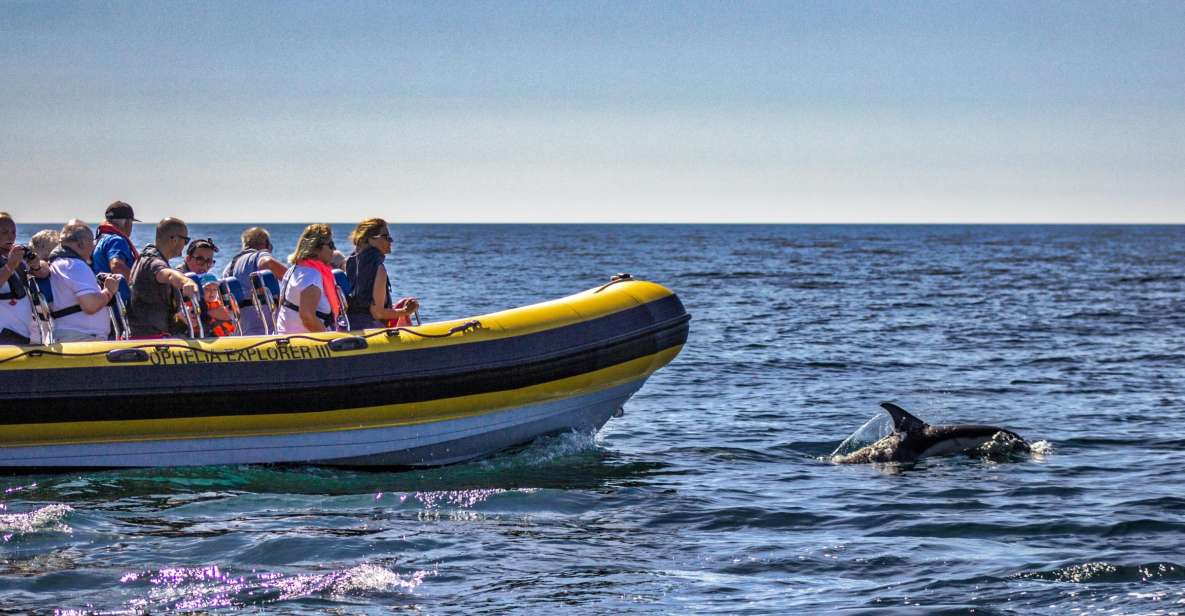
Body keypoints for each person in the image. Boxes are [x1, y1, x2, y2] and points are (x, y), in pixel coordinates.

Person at [46, 220, 121, 342]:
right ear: (81, 243)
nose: (93, 246)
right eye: (92, 242)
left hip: (69, 335)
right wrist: (109, 290)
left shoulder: (58, 263)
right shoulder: (75, 265)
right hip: (83, 337)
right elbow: (90, 305)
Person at [127, 218, 199, 338]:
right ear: (174, 240)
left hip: (150, 334)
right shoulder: (152, 262)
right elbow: (168, 274)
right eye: (185, 241)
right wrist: (186, 281)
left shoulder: (144, 258)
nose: (185, 245)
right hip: (150, 338)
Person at [344, 218, 418, 329]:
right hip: (371, 329)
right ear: (370, 239)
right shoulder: (379, 268)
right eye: (386, 237)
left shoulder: (350, 262)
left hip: (350, 326)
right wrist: (405, 311)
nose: (391, 241)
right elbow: (377, 313)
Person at [274, 224, 343, 334]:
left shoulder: (294, 269)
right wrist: (329, 338)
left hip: (287, 337)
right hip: (303, 342)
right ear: (315, 248)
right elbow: (307, 318)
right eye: (330, 244)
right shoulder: (311, 275)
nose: (334, 249)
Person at [221, 227, 287, 335]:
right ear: (266, 244)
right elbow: (268, 262)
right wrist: (294, 279)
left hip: (243, 334)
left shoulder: (228, 269)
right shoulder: (259, 255)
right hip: (268, 333)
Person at [0, 212, 49, 344]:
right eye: (4, 232)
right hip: (4, 332)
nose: (10, 235)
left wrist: (36, 265)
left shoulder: (18, 255)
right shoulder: (12, 260)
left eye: (13, 232)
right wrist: (10, 266)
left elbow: (45, 272)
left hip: (22, 332)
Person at [178, 238, 236, 337]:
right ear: (187, 259)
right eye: (199, 260)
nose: (205, 265)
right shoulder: (177, 279)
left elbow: (232, 314)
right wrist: (210, 313)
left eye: (209, 261)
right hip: (182, 336)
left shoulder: (207, 281)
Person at [92, 201, 139, 306]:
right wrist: (141, 287)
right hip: (119, 307)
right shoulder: (117, 240)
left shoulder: (100, 239)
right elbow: (117, 266)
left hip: (106, 305)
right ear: (127, 223)